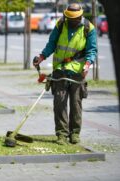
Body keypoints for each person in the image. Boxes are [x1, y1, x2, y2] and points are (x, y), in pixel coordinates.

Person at [33, 3, 97, 145]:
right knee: (59, 103)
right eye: (69, 18)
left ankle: (74, 134)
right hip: (60, 69)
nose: (72, 21)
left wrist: (87, 65)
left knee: (76, 103)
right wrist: (42, 57)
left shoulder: (88, 28)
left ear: (80, 16)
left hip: (78, 71)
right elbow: (52, 43)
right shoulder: (61, 24)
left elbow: (92, 50)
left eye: (75, 18)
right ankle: (61, 134)